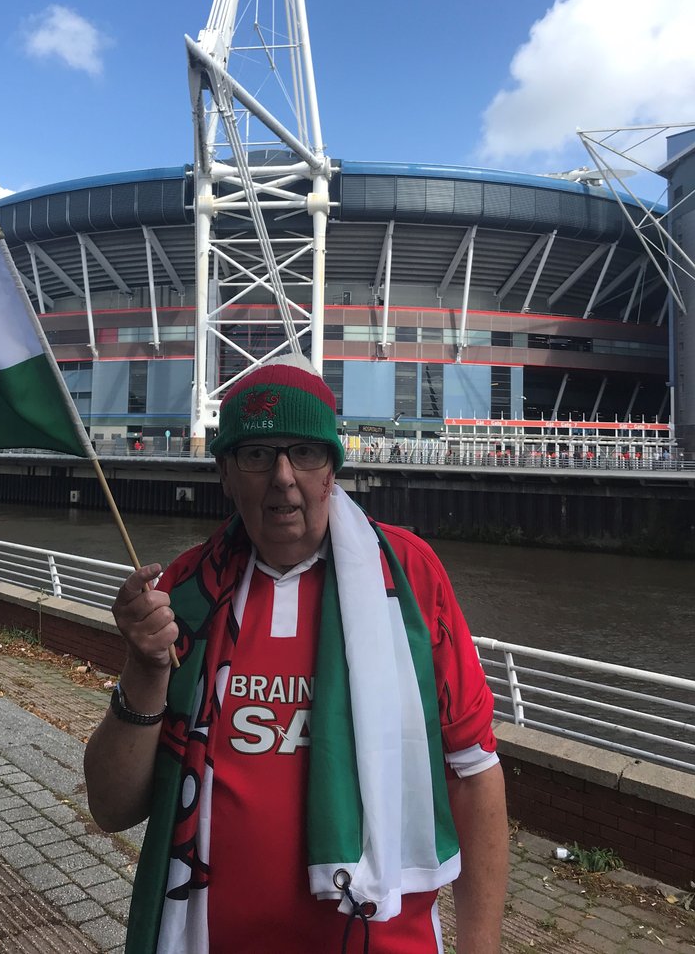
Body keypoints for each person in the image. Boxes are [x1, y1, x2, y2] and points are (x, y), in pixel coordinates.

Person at [84, 355, 508, 954]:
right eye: (257, 454)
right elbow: (110, 807)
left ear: (332, 469)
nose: (283, 476)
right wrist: (146, 669)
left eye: (305, 453)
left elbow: (474, 771)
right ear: (226, 474)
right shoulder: (185, 597)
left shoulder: (407, 581)